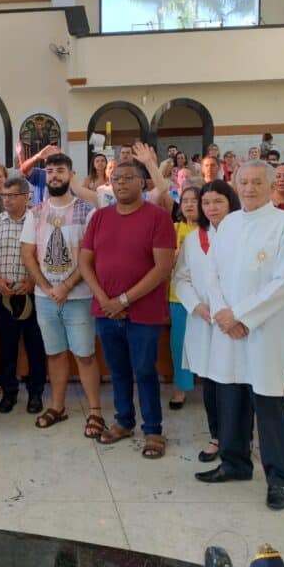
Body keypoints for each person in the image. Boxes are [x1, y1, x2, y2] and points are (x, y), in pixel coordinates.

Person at [197, 160, 284, 512]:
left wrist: (241, 315)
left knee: (269, 404)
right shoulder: (228, 224)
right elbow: (212, 274)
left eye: (258, 182)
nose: (250, 188)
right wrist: (224, 314)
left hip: (266, 330)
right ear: (236, 185)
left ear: (272, 185)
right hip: (229, 328)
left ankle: (279, 479)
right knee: (231, 399)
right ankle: (235, 463)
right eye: (244, 182)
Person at [80, 161, 177, 458]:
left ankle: (153, 430)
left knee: (145, 370)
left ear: (143, 182)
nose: (121, 182)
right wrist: (105, 300)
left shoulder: (158, 218)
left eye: (128, 177)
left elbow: (162, 268)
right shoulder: (100, 217)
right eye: (116, 178)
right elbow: (85, 262)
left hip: (143, 311)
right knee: (117, 370)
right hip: (105, 311)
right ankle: (123, 422)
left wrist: (122, 300)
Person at [20, 153, 103, 437]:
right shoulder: (35, 213)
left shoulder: (87, 211)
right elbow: (28, 254)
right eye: (50, 171)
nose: (54, 175)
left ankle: (95, 412)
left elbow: (90, 256)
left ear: (71, 175)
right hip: (45, 298)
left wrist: (65, 286)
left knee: (85, 355)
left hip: (78, 297)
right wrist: (46, 288)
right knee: (54, 354)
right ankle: (57, 406)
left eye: (60, 170)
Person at [174, 180, 241, 463]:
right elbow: (181, 278)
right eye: (206, 202)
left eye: (218, 201)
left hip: (236, 322)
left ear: (231, 203)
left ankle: (240, 439)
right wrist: (197, 306)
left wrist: (233, 313)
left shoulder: (243, 235)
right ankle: (216, 436)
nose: (211, 208)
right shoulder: (193, 239)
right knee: (210, 383)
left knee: (236, 384)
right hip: (204, 322)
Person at [0, 177, 46, 415]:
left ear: (26, 197)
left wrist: (32, 281)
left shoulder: (38, 221)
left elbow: (44, 257)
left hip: (33, 295)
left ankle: (36, 393)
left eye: (12, 196)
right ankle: (9, 393)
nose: (6, 200)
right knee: (7, 348)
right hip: (4, 296)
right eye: (4, 196)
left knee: (35, 347)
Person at [168, 185, 202, 409]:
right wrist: (174, 256)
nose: (189, 204)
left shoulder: (212, 230)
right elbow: (164, 264)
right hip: (178, 296)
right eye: (185, 200)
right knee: (179, 343)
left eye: (194, 200)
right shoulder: (174, 228)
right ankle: (180, 388)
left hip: (206, 297)